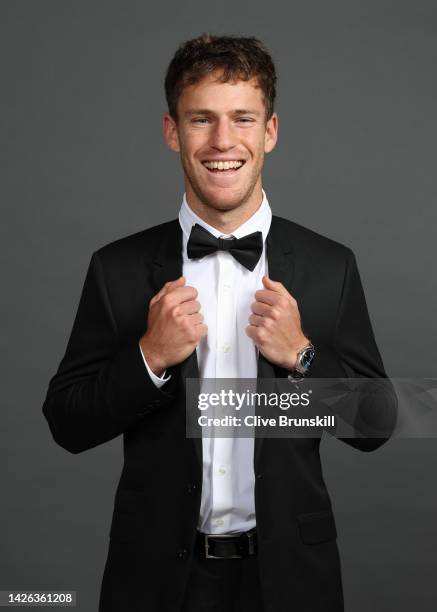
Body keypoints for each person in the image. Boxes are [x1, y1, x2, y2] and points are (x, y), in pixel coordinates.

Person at [42, 33, 396, 612]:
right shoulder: (118, 268)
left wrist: (303, 354)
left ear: (270, 132)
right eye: (201, 119)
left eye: (243, 119)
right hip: (155, 579)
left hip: (291, 580)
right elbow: (66, 423)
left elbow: (378, 424)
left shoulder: (331, 266)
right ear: (172, 131)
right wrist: (148, 358)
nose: (223, 141)